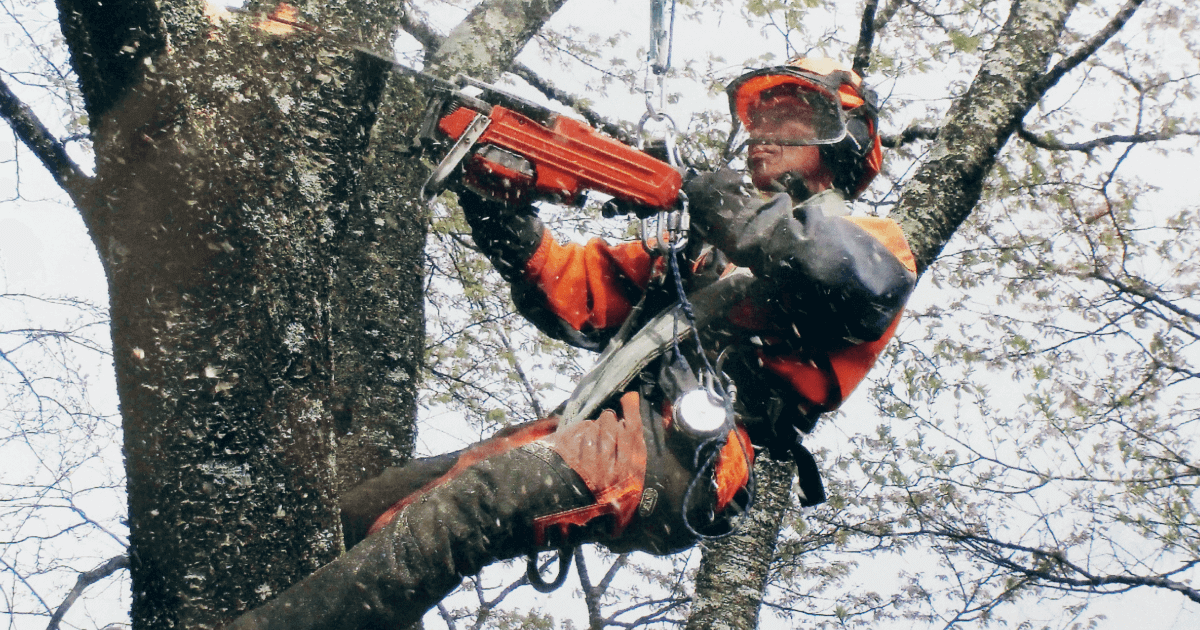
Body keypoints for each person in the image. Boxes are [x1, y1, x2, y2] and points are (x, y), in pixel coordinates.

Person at [228, 56, 917, 630]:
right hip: (602, 427)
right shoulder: (701, 257)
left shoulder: (871, 249)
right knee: (364, 509)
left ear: (842, 142)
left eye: (790, 120)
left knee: (485, 498)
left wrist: (739, 214)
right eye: (759, 120)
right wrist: (496, 200)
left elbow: (848, 283)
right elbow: (575, 288)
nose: (764, 134)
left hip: (692, 450)